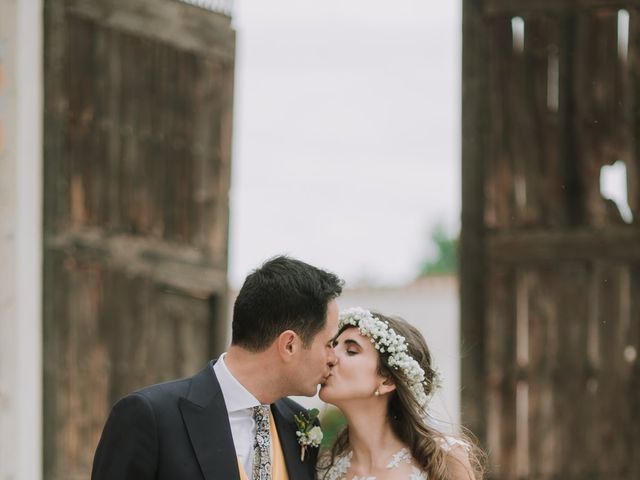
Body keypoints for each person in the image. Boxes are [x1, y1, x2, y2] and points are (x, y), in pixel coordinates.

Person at [92, 255, 344, 480]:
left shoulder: (299, 425)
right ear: (289, 344)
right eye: (329, 343)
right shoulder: (150, 417)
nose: (334, 357)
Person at [318, 307, 484, 480]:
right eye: (333, 345)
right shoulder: (324, 470)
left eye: (351, 351)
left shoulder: (445, 459)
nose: (330, 358)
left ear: (387, 381)